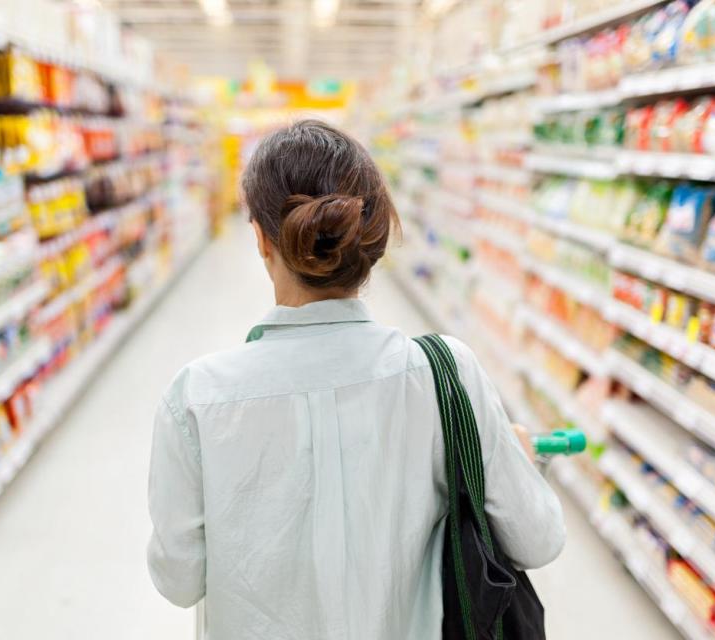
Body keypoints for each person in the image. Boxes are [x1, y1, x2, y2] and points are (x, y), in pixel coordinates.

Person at [147, 119, 565, 639]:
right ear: (373, 237)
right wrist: (517, 461)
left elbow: (179, 580)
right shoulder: (446, 376)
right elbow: (538, 540)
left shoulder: (197, 398)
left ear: (259, 238)